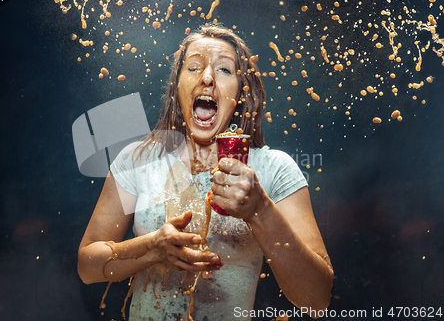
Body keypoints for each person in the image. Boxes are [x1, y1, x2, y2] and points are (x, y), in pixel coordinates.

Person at [78, 24, 333, 320]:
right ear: (177, 86)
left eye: (224, 70)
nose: (207, 77)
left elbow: (317, 300)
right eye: (194, 67)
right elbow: (87, 267)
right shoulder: (137, 160)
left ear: (241, 92)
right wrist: (154, 248)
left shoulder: (273, 169)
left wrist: (259, 209)